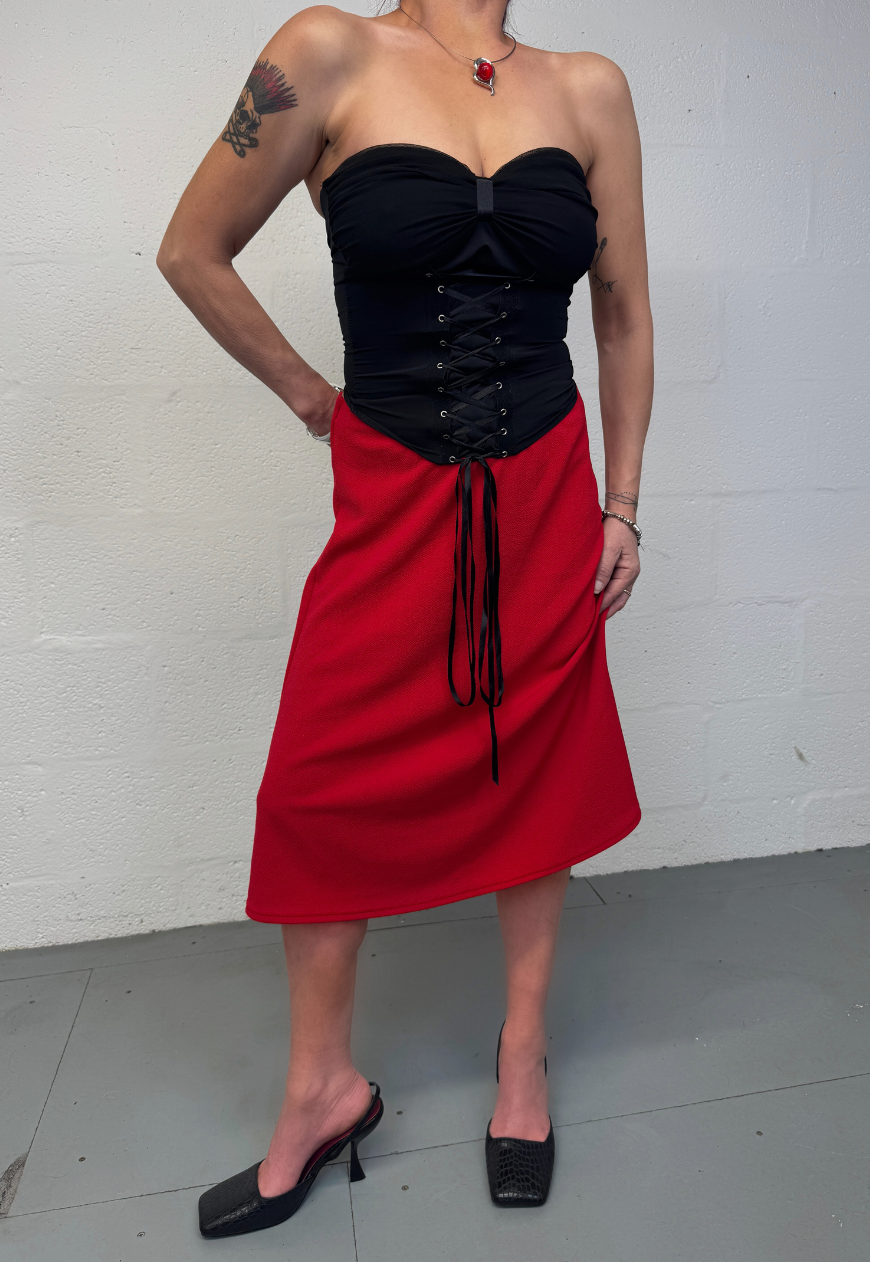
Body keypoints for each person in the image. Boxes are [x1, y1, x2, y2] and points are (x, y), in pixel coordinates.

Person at [157, 0, 652, 1236]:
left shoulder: (589, 86)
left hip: (547, 482)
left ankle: (523, 1054)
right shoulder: (326, 51)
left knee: (533, 759)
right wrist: (314, 400)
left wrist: (624, 503)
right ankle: (322, 1085)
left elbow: (623, 311)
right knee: (316, 781)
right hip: (393, 478)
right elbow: (192, 249)